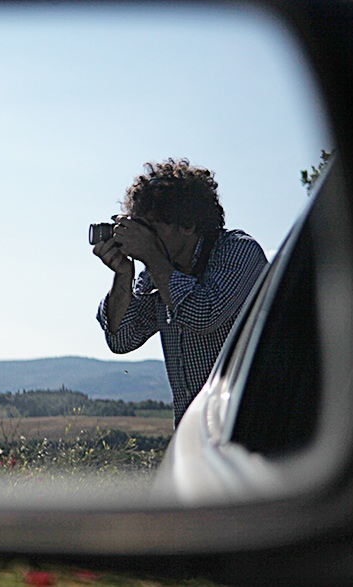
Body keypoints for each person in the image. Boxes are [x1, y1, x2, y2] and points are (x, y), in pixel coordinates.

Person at [94, 159, 268, 426]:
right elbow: (122, 340)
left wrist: (152, 256)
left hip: (256, 428)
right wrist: (123, 276)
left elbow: (204, 315)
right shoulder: (157, 271)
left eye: (149, 227)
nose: (141, 237)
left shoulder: (238, 252)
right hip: (198, 437)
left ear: (187, 225)